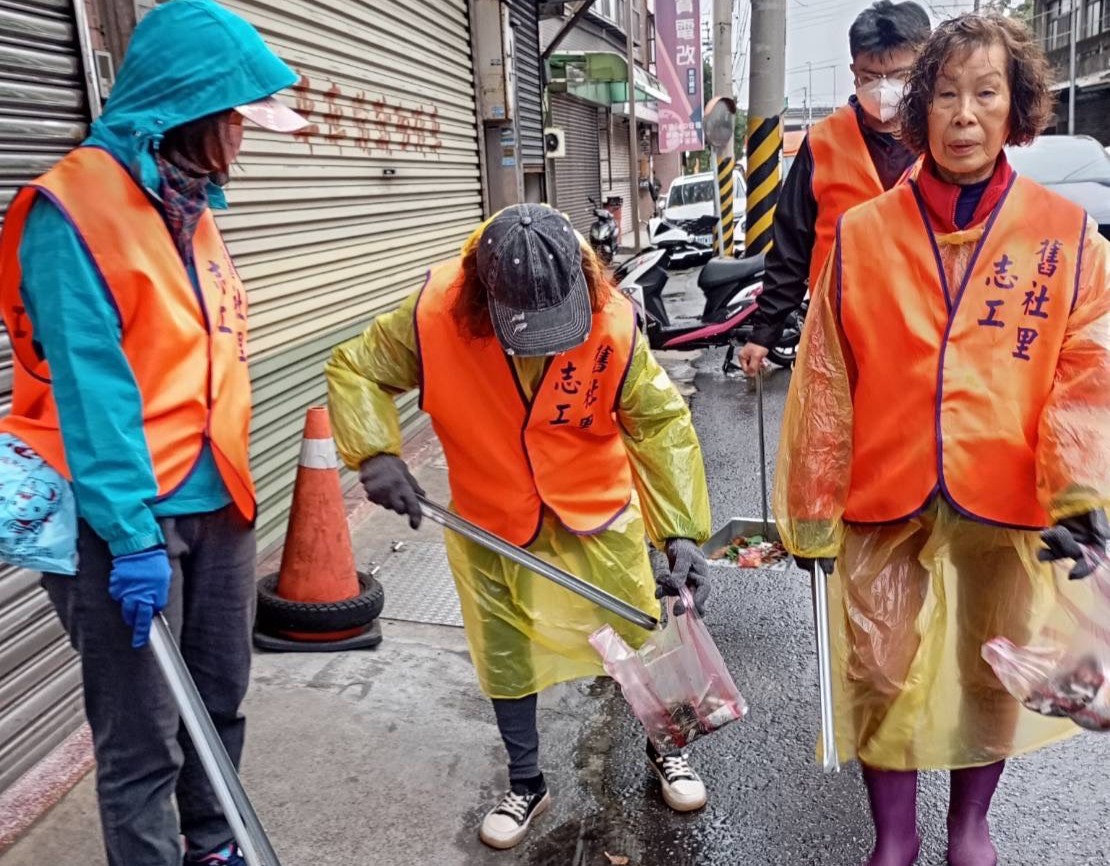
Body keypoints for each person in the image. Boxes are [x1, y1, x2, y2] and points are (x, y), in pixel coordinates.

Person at [776, 13, 1110, 866]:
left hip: (1007, 492)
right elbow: (825, 386)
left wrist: (1079, 495)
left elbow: (1087, 378)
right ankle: (894, 836)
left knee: (990, 663)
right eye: (948, 94)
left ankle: (970, 826)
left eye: (986, 94)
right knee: (879, 666)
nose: (965, 115)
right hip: (885, 489)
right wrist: (811, 513)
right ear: (920, 108)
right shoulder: (863, 235)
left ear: (1016, 109)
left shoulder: (1067, 238)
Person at [0, 2, 308, 864]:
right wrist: (130, 536)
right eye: (237, 120)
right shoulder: (70, 210)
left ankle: (214, 845)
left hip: (217, 503)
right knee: (143, 738)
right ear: (191, 110)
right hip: (122, 521)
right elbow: (92, 389)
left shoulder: (190, 203)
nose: (243, 140)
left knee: (218, 705)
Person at [325, 203, 713, 850]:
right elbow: (357, 368)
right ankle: (527, 782)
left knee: (640, 631)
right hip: (491, 518)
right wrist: (374, 452)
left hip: (595, 509)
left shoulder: (613, 319)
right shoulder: (432, 316)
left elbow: (659, 423)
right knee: (504, 653)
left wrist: (679, 531)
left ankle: (666, 749)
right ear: (483, 298)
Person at [739, 0, 931, 376]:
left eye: (898, 75)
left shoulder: (943, 142)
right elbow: (791, 246)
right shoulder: (823, 143)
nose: (883, 88)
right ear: (854, 72)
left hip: (927, 333)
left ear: (923, 69)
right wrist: (765, 331)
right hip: (841, 334)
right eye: (870, 76)